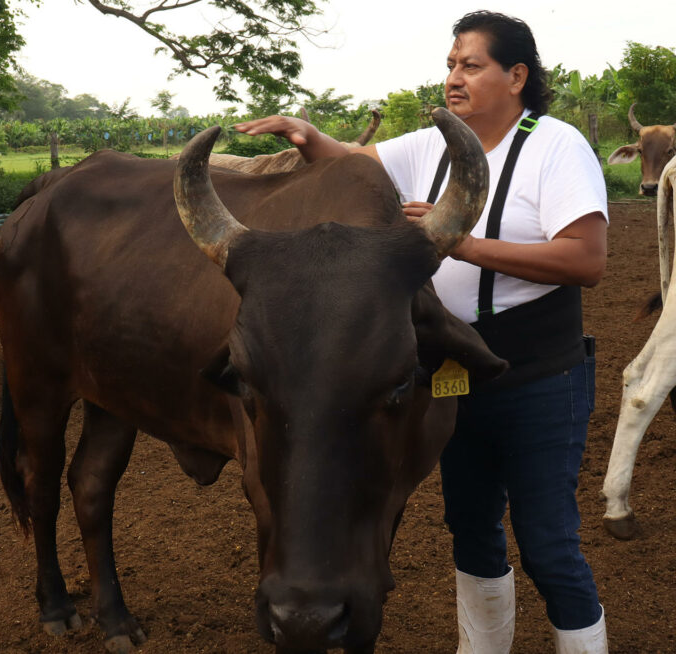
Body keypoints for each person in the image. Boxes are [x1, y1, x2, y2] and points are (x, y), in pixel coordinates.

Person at [235, 10, 609, 654]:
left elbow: (586, 260)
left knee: (548, 542)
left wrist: (463, 243)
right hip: (448, 373)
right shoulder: (429, 145)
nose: (453, 79)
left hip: (541, 374)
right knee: (471, 529)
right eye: (450, 65)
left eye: (471, 65)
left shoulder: (557, 145)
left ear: (516, 75)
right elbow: (351, 161)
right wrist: (308, 133)